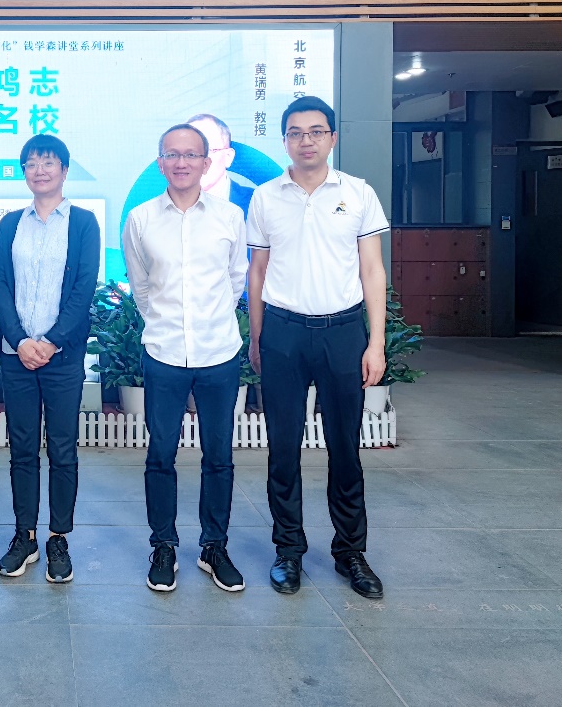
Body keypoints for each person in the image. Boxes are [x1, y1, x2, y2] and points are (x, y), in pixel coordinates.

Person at [246, 95, 389, 600]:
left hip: (342, 332)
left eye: (315, 131)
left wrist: (376, 342)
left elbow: (372, 269)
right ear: (284, 140)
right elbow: (257, 273)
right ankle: (288, 550)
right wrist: (257, 338)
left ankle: (351, 551)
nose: (305, 140)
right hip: (283, 332)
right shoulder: (265, 197)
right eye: (295, 132)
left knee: (345, 448)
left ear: (332, 138)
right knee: (282, 448)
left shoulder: (358, 193)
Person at [122, 123, 249, 593]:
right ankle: (164, 545)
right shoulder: (140, 219)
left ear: (206, 162)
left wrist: (209, 320)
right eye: (172, 155)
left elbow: (236, 280)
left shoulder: (230, 217)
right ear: (161, 163)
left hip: (219, 353)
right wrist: (165, 322)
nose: (181, 162)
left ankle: (214, 546)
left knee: (219, 456)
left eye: (191, 155)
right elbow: (140, 286)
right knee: (160, 454)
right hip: (164, 352)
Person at [0, 135, 101, 584]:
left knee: (62, 447)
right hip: (16, 355)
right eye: (31, 163)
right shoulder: (10, 224)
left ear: (65, 170)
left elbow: (84, 287)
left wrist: (52, 341)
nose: (39, 170)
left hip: (63, 356)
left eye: (48, 162)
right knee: (21, 448)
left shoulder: (84, 223)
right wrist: (19, 340)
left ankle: (58, 537)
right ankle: (25, 535)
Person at [187, 113, 258, 217]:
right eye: (189, 153)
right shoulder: (164, 206)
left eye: (206, 151)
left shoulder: (258, 204)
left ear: (228, 156)